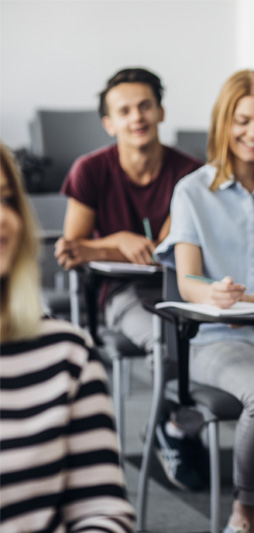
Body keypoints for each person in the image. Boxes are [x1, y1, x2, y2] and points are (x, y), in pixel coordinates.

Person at [155, 69, 254, 533]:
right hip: (214, 337)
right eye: (243, 121)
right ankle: (244, 512)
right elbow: (187, 281)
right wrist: (215, 293)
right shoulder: (191, 190)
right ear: (224, 123)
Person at [54, 67, 205, 491]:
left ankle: (170, 426)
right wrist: (118, 240)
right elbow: (71, 249)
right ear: (109, 122)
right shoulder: (90, 170)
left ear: (160, 111)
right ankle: (178, 427)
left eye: (144, 106)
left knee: (203, 336)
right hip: (121, 294)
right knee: (169, 341)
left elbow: (174, 246)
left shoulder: (190, 173)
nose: (136, 117)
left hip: (181, 286)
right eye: (124, 110)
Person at [0, 144, 135, 531]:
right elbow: (72, 248)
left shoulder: (66, 354)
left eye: (7, 199)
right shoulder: (91, 169)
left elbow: (101, 511)